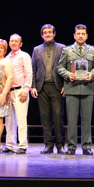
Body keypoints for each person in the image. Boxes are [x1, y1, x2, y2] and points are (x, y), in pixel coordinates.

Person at [57, 24, 94, 155]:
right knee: (71, 120)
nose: (80, 36)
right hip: (72, 89)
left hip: (87, 89)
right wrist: (67, 75)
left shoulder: (93, 50)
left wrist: (91, 74)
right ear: (74, 35)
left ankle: (86, 147)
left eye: (83, 34)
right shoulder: (67, 50)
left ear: (86, 36)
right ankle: (71, 147)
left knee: (87, 120)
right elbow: (60, 67)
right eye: (78, 33)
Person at [31, 24, 66, 154]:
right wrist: (33, 86)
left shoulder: (62, 48)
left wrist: (66, 86)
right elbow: (33, 70)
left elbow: (67, 67)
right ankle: (48, 145)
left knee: (58, 117)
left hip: (57, 87)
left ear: (54, 34)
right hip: (42, 88)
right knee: (45, 118)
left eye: (49, 32)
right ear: (42, 35)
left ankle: (60, 145)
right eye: (45, 32)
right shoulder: (36, 50)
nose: (47, 34)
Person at [2, 34, 32, 154]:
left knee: (21, 119)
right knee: (8, 121)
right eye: (12, 41)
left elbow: (29, 73)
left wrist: (26, 89)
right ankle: (9, 145)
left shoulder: (24, 56)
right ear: (9, 43)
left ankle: (23, 145)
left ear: (21, 44)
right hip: (8, 91)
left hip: (20, 91)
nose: (14, 43)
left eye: (16, 41)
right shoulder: (6, 57)